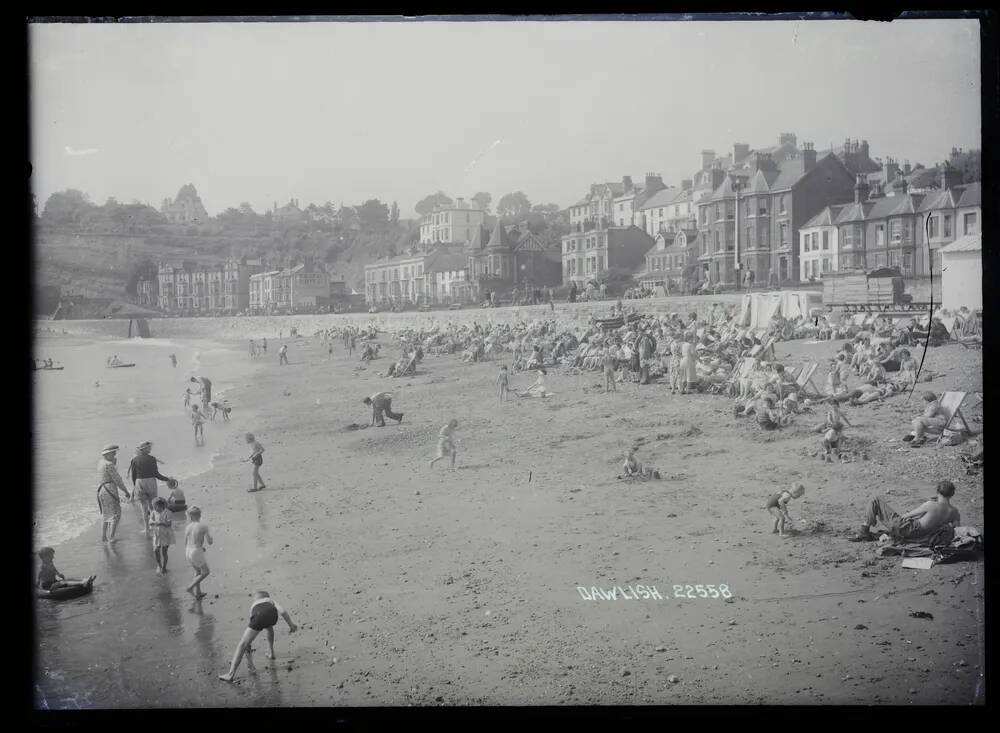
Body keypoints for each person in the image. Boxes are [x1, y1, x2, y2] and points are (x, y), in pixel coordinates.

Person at [218, 591, 298, 682]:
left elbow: (253, 624)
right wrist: (291, 625)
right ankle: (271, 653)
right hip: (273, 616)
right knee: (269, 626)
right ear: (266, 597)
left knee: (242, 645)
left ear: (256, 599)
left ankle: (230, 674)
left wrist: (248, 645)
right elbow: (283, 611)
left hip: (258, 616)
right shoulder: (270, 600)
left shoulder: (254, 605)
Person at [851, 480, 961, 542]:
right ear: (952, 494)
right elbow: (956, 530)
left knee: (875, 500)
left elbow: (906, 516)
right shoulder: (955, 512)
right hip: (923, 534)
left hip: (908, 529)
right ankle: (869, 532)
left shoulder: (930, 505)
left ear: (938, 492)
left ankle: (864, 531)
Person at [127, 441, 173, 537]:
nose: (150, 449)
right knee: (153, 506)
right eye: (149, 448)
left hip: (139, 483)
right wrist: (167, 479)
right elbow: (156, 474)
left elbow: (133, 476)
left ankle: (147, 529)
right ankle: (155, 527)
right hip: (150, 482)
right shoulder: (152, 459)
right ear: (144, 449)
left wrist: (135, 486)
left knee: (143, 507)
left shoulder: (134, 460)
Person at [97, 444, 131, 544]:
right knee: (116, 514)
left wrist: (114, 464)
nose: (115, 454)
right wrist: (125, 491)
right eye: (113, 453)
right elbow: (118, 480)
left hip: (101, 489)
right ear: (107, 454)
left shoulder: (100, 463)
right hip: (110, 489)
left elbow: (106, 474)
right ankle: (111, 537)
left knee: (105, 514)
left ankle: (103, 537)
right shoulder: (109, 464)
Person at [184, 506, 213, 599]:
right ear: (199, 515)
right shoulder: (203, 526)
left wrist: (200, 547)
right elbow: (210, 542)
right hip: (196, 551)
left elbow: (186, 542)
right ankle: (190, 587)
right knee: (206, 572)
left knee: (197, 571)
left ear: (190, 516)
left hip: (188, 551)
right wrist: (210, 538)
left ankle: (198, 592)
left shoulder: (188, 527)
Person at [148, 497, 175, 575]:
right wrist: (152, 523)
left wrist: (161, 523)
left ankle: (164, 567)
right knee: (156, 550)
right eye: (155, 507)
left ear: (163, 506)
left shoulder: (168, 512)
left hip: (166, 534)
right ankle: (159, 565)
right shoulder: (153, 512)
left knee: (164, 552)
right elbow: (150, 521)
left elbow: (169, 524)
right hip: (157, 534)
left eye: (157, 507)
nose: (156, 509)